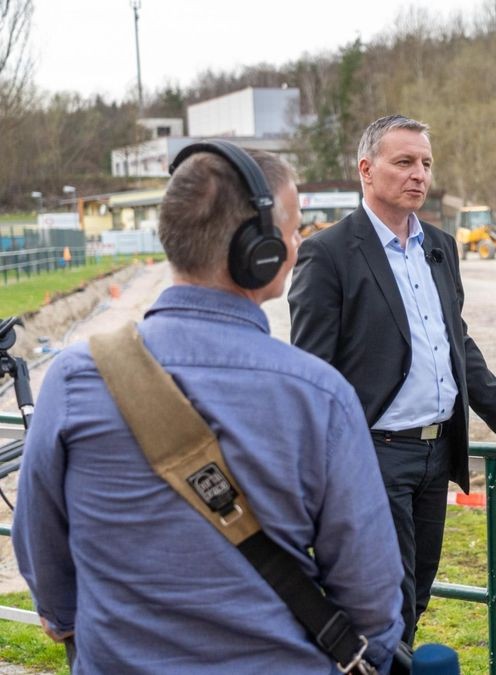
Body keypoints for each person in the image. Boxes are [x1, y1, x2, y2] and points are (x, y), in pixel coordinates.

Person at [13, 145, 406, 673]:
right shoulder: (319, 396)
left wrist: (71, 624)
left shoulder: (73, 377)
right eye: (290, 231)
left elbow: (41, 548)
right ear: (259, 250)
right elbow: (372, 600)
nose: (294, 246)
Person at [289, 115, 496, 645]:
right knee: (387, 605)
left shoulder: (440, 246)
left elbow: (457, 345)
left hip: (436, 455)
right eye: (403, 162)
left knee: (416, 597)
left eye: (425, 163)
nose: (418, 174)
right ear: (366, 170)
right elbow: (310, 373)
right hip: (374, 454)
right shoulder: (328, 254)